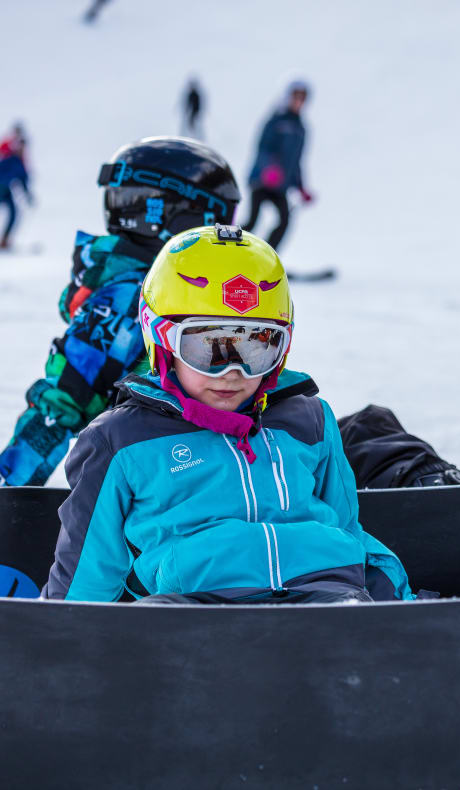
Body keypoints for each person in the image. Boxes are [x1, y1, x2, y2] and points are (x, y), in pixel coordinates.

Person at [44, 224, 414, 606]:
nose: (232, 371)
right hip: (196, 605)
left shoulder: (310, 420)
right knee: (154, 619)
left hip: (322, 593)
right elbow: (89, 566)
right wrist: (60, 638)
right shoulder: (121, 439)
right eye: (208, 348)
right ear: (163, 340)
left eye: (257, 346)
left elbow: (346, 525)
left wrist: (390, 599)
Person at [0, 136, 241, 486]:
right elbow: (64, 400)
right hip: (158, 482)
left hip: (204, 466)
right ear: (175, 215)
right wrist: (13, 497)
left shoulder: (183, 287)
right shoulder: (131, 297)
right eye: (217, 219)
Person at [242, 80, 314, 250]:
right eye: (296, 97)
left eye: (302, 98)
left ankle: (265, 256)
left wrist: (301, 187)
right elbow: (263, 148)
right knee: (252, 222)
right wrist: (268, 168)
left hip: (280, 187)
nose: (298, 101)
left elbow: (296, 162)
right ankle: (224, 249)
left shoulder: (300, 129)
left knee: (284, 221)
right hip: (261, 181)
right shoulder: (276, 120)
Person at [0, 135, 31, 250]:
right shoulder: (8, 159)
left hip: (6, 192)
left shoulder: (20, 163)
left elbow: (23, 181)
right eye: (20, 147)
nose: (21, 150)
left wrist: (28, 196)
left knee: (13, 213)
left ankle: (4, 240)